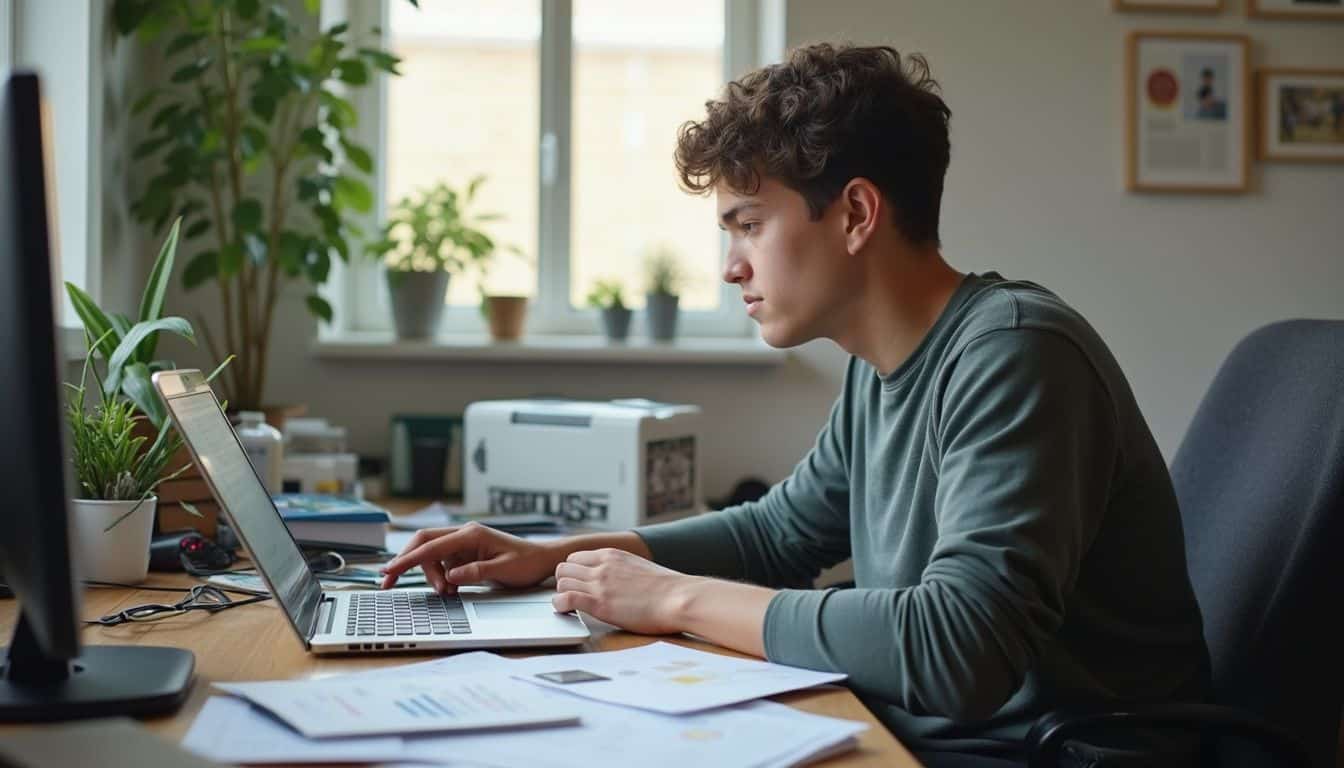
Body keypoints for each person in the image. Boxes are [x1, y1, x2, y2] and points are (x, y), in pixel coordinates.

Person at [381, 43, 1209, 765]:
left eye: (748, 226)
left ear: (855, 213)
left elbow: (961, 647)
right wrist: (552, 554)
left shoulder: (1017, 353)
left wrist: (669, 596)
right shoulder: (879, 366)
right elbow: (779, 535)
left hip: (1048, 754)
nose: (730, 267)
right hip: (933, 736)